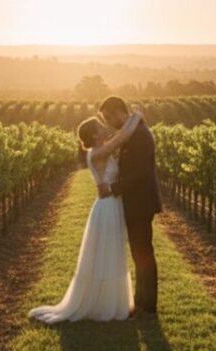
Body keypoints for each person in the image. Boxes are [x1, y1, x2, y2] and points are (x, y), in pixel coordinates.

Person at [28, 110, 143, 323]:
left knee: (112, 253)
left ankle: (112, 301)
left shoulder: (99, 151)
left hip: (110, 205)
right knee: (108, 254)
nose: (105, 129)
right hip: (107, 208)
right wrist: (136, 116)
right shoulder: (97, 153)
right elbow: (123, 137)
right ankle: (106, 305)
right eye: (100, 128)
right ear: (93, 136)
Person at [97, 96, 162, 317]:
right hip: (136, 202)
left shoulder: (140, 135)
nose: (108, 122)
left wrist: (113, 188)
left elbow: (139, 174)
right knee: (139, 252)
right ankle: (141, 302)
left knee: (143, 252)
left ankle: (149, 307)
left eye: (108, 117)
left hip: (141, 202)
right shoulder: (132, 132)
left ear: (118, 112)